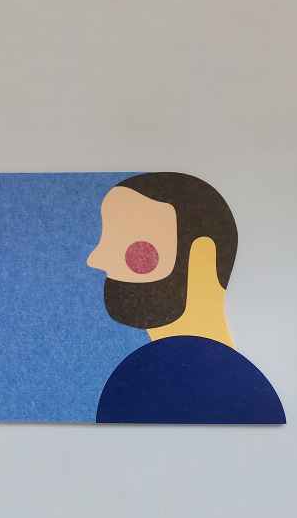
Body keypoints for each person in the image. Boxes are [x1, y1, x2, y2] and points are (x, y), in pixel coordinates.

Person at [87, 172, 285, 424]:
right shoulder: (148, 374)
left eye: (132, 243)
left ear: (202, 256)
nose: (95, 258)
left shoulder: (139, 380)